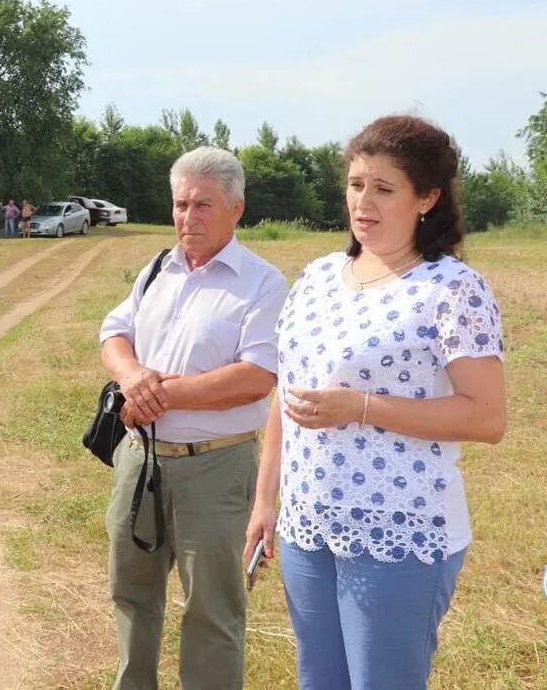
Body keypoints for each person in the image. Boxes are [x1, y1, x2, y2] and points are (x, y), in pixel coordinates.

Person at [244, 115, 506, 689]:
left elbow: (487, 418)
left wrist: (363, 406)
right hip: (306, 528)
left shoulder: (453, 289)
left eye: (385, 188)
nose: (364, 201)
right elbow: (284, 398)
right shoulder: (316, 278)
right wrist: (267, 503)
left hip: (400, 534)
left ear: (427, 198)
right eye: (357, 183)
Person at [99, 146, 288, 690]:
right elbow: (114, 333)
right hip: (140, 461)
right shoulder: (158, 267)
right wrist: (133, 377)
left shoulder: (263, 283)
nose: (189, 217)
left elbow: (257, 375)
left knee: (212, 611)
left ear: (237, 209)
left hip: (217, 468)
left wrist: (162, 394)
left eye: (204, 205)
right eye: (181, 204)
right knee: (131, 595)